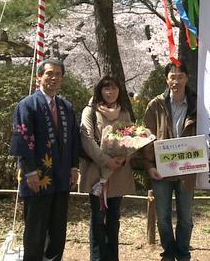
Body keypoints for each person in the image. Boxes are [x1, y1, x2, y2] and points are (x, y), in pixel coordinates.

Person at [11, 59, 80, 261]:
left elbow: (74, 139)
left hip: (61, 176)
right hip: (37, 177)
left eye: (58, 74)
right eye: (49, 73)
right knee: (36, 229)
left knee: (58, 229)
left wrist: (74, 167)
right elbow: (22, 140)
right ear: (39, 76)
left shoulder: (66, 107)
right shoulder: (27, 105)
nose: (54, 78)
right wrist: (29, 171)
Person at [142, 61, 197, 261]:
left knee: (186, 218)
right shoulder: (155, 105)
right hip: (160, 170)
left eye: (180, 76)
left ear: (187, 78)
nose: (176, 80)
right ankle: (168, 252)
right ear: (167, 80)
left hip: (187, 169)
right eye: (172, 76)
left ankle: (183, 254)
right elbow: (147, 138)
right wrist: (149, 167)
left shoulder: (197, 104)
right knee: (163, 218)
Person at [80, 76, 136, 261]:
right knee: (97, 218)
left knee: (113, 218)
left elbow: (132, 137)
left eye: (114, 89)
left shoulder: (124, 113)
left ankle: (112, 257)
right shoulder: (90, 111)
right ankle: (97, 257)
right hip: (98, 173)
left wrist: (124, 157)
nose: (110, 93)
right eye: (106, 89)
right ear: (99, 91)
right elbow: (87, 140)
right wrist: (106, 161)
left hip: (118, 172)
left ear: (119, 91)